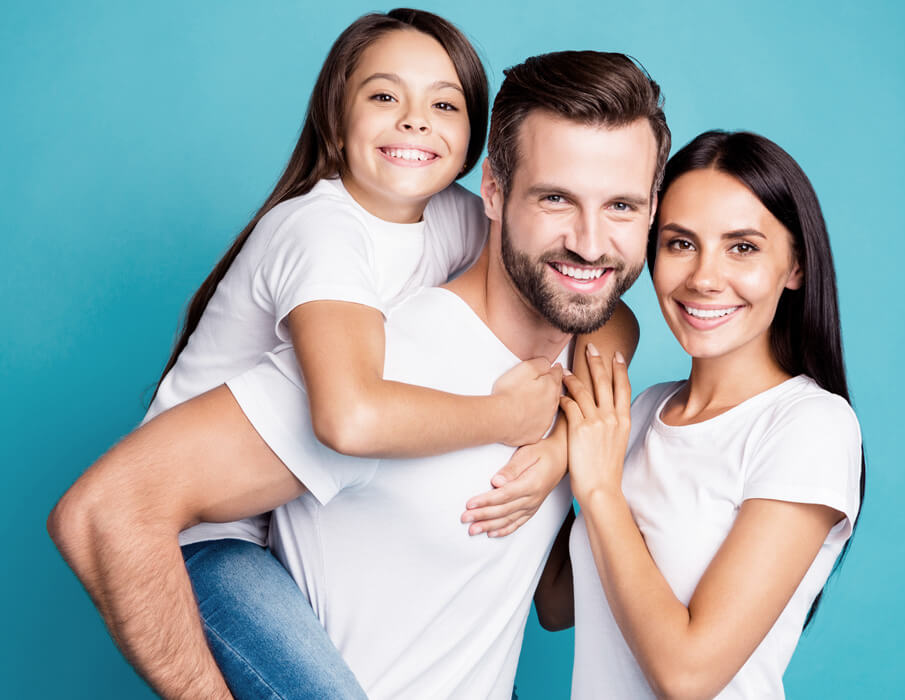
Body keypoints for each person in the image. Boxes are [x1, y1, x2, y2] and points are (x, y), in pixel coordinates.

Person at [48, 50, 672, 698]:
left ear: (653, 208)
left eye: (622, 206)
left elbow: (615, 322)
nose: (592, 242)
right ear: (492, 190)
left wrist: (563, 447)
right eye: (555, 198)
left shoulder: (591, 346)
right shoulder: (390, 365)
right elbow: (106, 510)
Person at [535, 130, 865, 699]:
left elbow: (687, 676)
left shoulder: (810, 427)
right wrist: (548, 445)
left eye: (742, 247)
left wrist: (602, 494)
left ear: (796, 267)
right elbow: (556, 604)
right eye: (680, 243)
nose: (704, 278)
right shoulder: (639, 411)